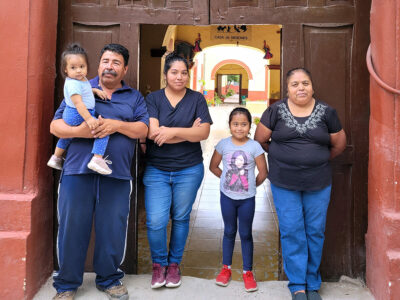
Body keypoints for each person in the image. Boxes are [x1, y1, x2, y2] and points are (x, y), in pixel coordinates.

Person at [50, 43, 149, 300]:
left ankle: (109, 279)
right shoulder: (79, 86)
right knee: (71, 227)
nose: (109, 66)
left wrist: (116, 125)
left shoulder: (134, 97)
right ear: (98, 64)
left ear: (125, 68)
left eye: (116, 62)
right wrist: (78, 132)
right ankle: (67, 284)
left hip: (116, 175)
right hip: (76, 171)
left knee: (112, 229)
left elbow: (143, 130)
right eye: (105, 60)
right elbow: (55, 126)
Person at [254, 68, 347, 300]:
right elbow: (261, 140)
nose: (301, 88)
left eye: (305, 83)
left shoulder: (327, 112)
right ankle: (297, 285)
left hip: (319, 181)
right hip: (284, 182)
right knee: (292, 230)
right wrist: (282, 156)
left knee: (315, 231)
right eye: (295, 84)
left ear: (312, 86)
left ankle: (312, 283)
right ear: (287, 89)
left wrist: (316, 160)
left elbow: (338, 144)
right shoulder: (274, 111)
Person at [144, 52, 212, 289]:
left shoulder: (197, 100)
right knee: (155, 221)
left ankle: (173, 265)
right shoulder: (153, 98)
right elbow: (153, 134)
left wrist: (171, 132)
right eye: (174, 72)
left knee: (181, 218)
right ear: (165, 74)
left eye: (184, 72)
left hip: (189, 169)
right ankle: (158, 265)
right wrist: (186, 132)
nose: (180, 77)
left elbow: (203, 133)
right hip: (157, 170)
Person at [209, 107, 267, 292]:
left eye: (244, 124)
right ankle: (226, 269)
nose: (239, 128)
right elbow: (214, 166)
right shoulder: (223, 145)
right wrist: (228, 181)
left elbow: (263, 172)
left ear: (250, 126)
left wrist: (249, 186)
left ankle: (247, 272)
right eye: (236, 124)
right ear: (229, 125)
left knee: (246, 234)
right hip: (227, 197)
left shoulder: (255, 147)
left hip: (247, 199)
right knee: (229, 231)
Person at [47, 44, 112, 175]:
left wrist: (93, 91)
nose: (78, 71)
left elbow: (84, 90)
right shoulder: (74, 84)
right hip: (77, 113)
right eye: (73, 67)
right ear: (65, 69)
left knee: (67, 136)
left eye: (82, 67)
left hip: (71, 114)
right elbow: (79, 104)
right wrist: (89, 119)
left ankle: (56, 157)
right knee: (103, 131)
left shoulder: (79, 80)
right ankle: (97, 159)